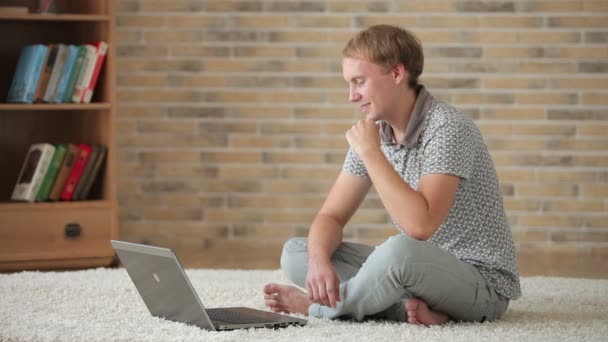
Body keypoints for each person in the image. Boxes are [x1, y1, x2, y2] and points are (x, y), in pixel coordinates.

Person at [263, 24, 521, 326]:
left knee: (399, 251)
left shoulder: (447, 127)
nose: (351, 96)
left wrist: (371, 153)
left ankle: (319, 308)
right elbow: (330, 216)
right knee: (298, 252)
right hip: (417, 270)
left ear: (397, 74)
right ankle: (407, 309)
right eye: (349, 84)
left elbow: (420, 226)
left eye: (359, 81)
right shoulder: (375, 134)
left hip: (480, 282)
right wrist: (319, 262)